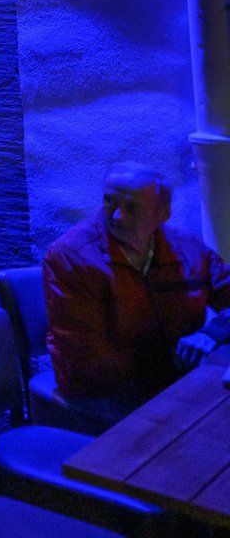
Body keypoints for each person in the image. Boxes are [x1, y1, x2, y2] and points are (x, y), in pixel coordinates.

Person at [43, 161, 230, 424]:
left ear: (162, 214)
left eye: (132, 207)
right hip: (106, 392)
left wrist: (213, 332)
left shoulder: (187, 249)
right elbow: (85, 359)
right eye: (110, 202)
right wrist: (175, 372)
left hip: (173, 380)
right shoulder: (72, 256)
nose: (117, 216)